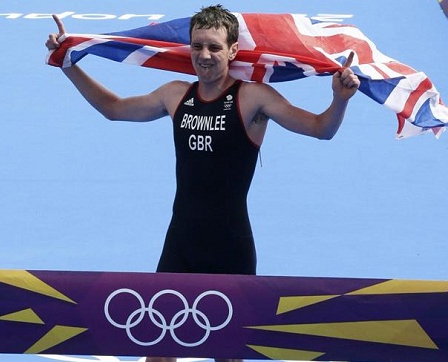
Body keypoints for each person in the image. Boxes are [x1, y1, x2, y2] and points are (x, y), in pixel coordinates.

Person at [46, 5, 359, 362]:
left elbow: (321, 129)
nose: (204, 56)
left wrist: (339, 100)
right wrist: (69, 64)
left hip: (231, 246)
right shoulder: (175, 94)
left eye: (213, 47)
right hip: (181, 243)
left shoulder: (253, 98)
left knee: (228, 354)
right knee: (158, 352)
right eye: (197, 46)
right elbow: (114, 108)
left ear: (232, 51)